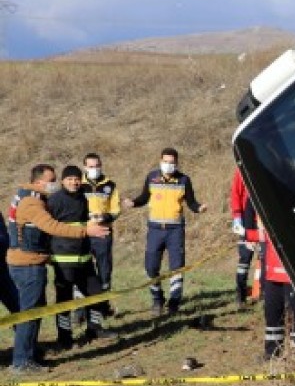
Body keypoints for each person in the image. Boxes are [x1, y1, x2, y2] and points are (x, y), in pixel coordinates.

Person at [7, 164, 111, 373]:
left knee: (34, 312)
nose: (55, 183)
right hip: (27, 266)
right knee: (29, 314)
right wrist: (85, 231)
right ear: (39, 181)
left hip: (31, 263)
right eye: (52, 179)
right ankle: (21, 362)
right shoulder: (31, 202)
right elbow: (52, 226)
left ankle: (30, 353)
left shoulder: (30, 197)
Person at [123, 147, 207, 316]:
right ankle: (157, 299)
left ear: (176, 163)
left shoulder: (184, 180)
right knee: (151, 267)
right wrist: (133, 202)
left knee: (176, 268)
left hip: (175, 230)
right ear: (160, 161)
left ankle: (174, 302)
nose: (168, 165)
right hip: (155, 229)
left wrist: (199, 208)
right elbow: (144, 198)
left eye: (172, 163)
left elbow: (191, 202)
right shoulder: (152, 177)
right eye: (165, 162)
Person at [46, 166, 116, 348]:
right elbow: (48, 228)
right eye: (69, 179)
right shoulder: (54, 201)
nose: (74, 182)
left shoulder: (82, 198)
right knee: (64, 301)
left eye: (77, 179)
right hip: (63, 260)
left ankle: (94, 330)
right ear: (62, 181)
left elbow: (85, 224)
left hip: (84, 259)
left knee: (96, 294)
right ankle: (64, 338)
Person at [256, 229, 295, 361]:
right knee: (272, 313)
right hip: (271, 274)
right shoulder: (266, 215)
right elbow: (262, 242)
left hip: (292, 274)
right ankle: (272, 352)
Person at [81, 153, 121, 294]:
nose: (94, 169)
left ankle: (104, 300)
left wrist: (105, 217)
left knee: (104, 267)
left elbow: (116, 209)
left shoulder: (110, 184)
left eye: (97, 166)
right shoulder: (78, 184)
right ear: (85, 167)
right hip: (83, 233)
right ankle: (83, 306)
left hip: (103, 232)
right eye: (91, 166)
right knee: (83, 267)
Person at [228, 167, 259, 307]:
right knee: (245, 258)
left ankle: (263, 293)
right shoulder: (242, 168)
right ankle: (240, 294)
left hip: (265, 216)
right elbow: (236, 193)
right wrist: (237, 216)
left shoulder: (273, 163)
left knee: (266, 258)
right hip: (247, 217)